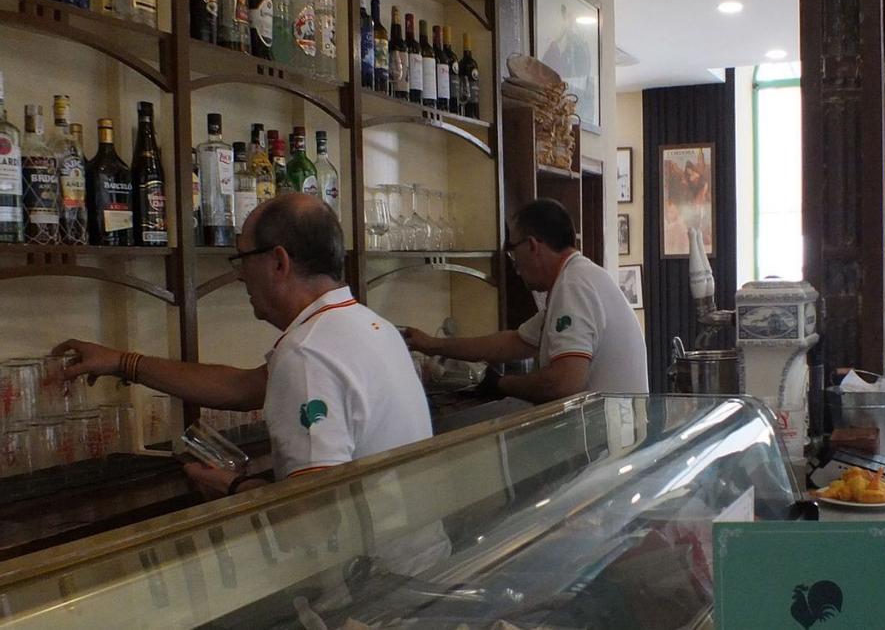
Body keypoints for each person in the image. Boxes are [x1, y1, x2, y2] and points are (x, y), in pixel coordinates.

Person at [55, 194, 432, 498]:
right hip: (414, 555)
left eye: (242, 258)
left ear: (278, 262)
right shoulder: (368, 326)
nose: (239, 275)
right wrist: (123, 362)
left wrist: (235, 487)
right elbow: (243, 387)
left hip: (372, 574)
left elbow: (317, 514)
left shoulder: (307, 352)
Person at [405, 199, 649, 402]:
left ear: (532, 245)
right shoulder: (578, 278)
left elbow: (564, 382)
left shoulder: (573, 285)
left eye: (513, 251)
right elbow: (513, 342)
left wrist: (502, 385)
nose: (516, 266)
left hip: (608, 444)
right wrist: (430, 344)